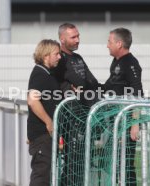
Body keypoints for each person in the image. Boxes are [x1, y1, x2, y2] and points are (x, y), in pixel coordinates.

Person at [53, 23, 100, 186]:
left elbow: (91, 81)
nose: (78, 40)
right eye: (73, 37)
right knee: (72, 160)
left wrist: (85, 86)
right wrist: (79, 84)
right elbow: (75, 81)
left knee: (84, 159)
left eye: (78, 36)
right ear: (62, 39)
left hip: (84, 115)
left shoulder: (78, 58)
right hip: (70, 118)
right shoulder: (59, 58)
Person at [104, 27, 144, 186]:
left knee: (126, 163)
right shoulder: (116, 62)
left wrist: (135, 124)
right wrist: (86, 90)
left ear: (119, 44)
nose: (107, 45)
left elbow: (137, 93)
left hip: (126, 121)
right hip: (115, 120)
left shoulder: (131, 63)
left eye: (109, 41)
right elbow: (108, 86)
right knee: (114, 162)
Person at [27, 39, 61, 186]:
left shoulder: (48, 74)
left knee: (47, 175)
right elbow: (33, 101)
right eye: (57, 54)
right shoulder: (40, 74)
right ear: (46, 55)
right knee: (41, 176)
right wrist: (49, 123)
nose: (59, 57)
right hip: (42, 134)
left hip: (44, 135)